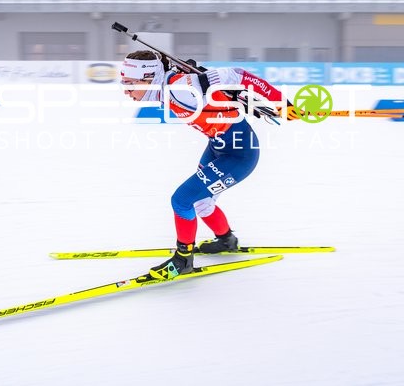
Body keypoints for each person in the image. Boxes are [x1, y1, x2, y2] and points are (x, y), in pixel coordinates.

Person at [120, 50, 290, 280]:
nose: (126, 90)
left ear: (149, 77)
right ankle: (226, 240)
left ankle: (183, 260)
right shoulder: (168, 86)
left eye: (130, 83)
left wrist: (281, 101)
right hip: (219, 146)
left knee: (181, 200)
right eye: (124, 83)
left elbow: (237, 74)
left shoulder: (181, 88)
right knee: (200, 202)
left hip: (239, 156)